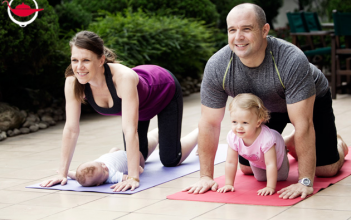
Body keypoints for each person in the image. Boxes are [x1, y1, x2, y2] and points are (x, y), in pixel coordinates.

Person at [184, 3, 348, 199]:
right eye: (232, 30)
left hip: (309, 99)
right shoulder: (218, 65)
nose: (238, 37)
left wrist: (304, 181)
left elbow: (303, 123)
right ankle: (287, 142)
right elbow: (209, 123)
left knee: (325, 169)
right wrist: (206, 176)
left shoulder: (291, 59)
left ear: (264, 30)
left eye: (246, 29)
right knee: (248, 168)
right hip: (261, 108)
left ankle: (337, 144)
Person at [40, 31, 198, 192]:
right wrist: (62, 173)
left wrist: (133, 177)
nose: (79, 67)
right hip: (137, 106)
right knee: (138, 157)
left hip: (163, 90)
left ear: (101, 60)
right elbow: (71, 129)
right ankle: (160, 134)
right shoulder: (73, 82)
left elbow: (130, 130)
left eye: (86, 60)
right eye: (74, 60)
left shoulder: (123, 78)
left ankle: (200, 131)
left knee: (170, 159)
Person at [217, 94, 289, 196]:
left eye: (245, 123)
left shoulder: (266, 139)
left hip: (276, 155)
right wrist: (228, 184)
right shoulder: (233, 137)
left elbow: (270, 164)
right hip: (256, 157)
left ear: (258, 123)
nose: (239, 127)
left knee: (281, 178)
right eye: (234, 122)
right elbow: (230, 162)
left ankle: (285, 148)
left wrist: (270, 187)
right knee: (261, 178)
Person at [67, 147, 145, 187]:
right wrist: (137, 170)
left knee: (114, 149)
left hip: (115, 153)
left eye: (101, 164)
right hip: (129, 158)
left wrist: (67, 172)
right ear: (99, 183)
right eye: (104, 172)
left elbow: (76, 176)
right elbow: (127, 178)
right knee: (139, 154)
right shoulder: (111, 176)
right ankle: (142, 164)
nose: (105, 167)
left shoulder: (94, 166)